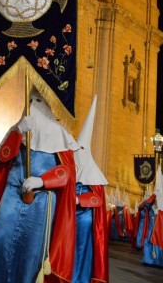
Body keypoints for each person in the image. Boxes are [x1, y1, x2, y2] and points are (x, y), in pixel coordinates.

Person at [0, 88, 78, 283]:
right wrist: (17, 132)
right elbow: (3, 157)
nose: (32, 105)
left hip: (40, 202)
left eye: (37, 102)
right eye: (30, 101)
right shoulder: (19, 128)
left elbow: (66, 172)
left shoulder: (60, 136)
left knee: (30, 252)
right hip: (11, 195)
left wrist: (42, 181)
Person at [71, 95, 109, 283]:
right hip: (68, 218)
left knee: (81, 251)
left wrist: (79, 200)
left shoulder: (94, 175)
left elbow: (98, 199)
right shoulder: (71, 170)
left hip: (85, 219)